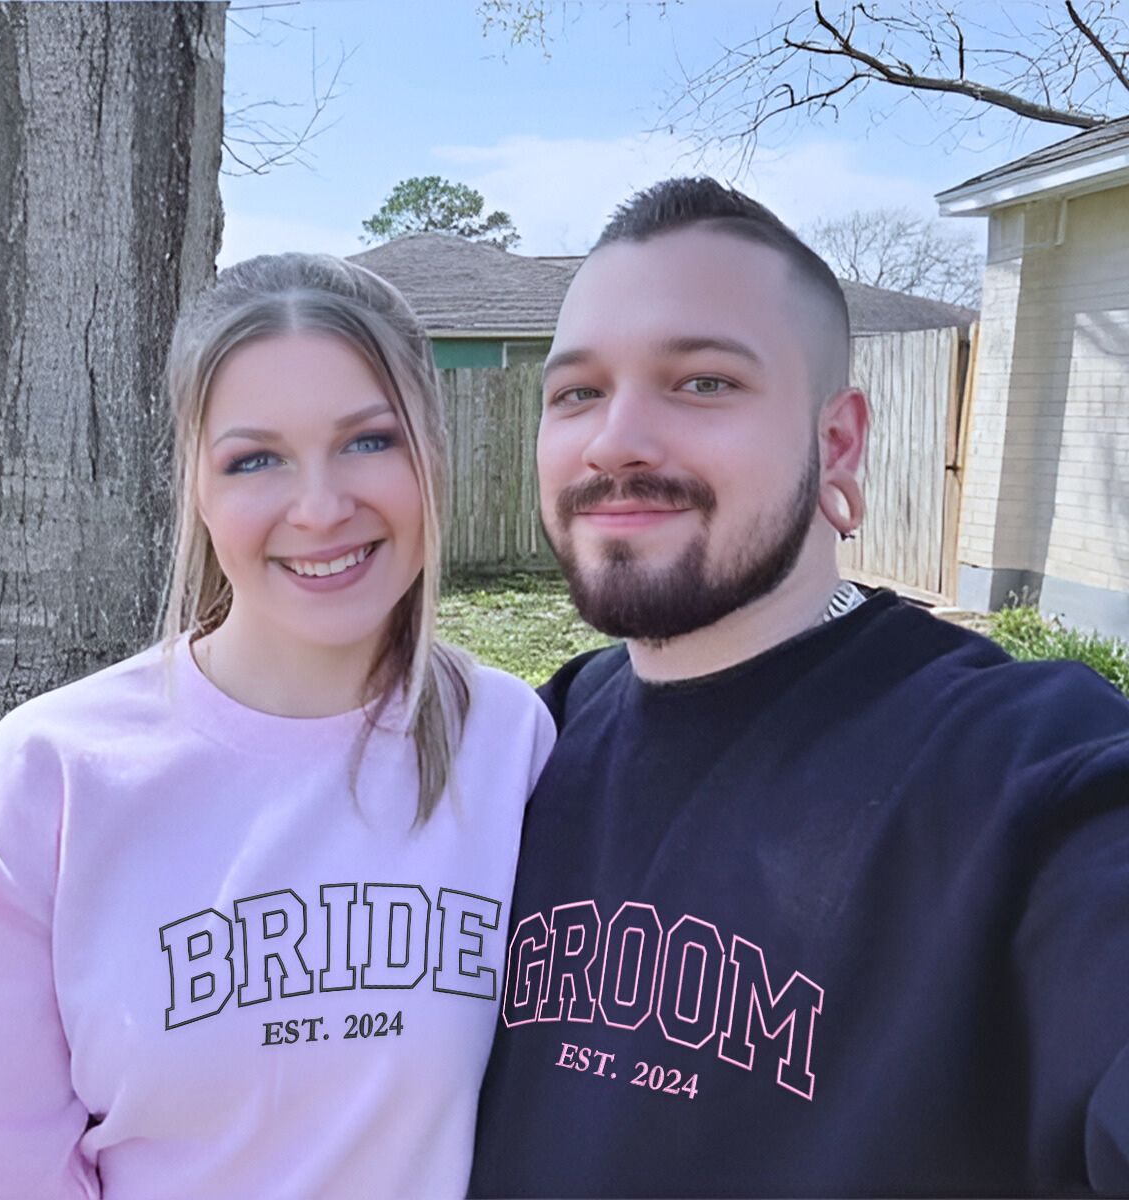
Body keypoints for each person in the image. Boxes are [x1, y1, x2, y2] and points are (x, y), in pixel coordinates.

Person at [468, 178, 1129, 1198]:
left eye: (703, 383)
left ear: (837, 444)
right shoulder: (526, 742)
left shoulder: (1024, 769)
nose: (614, 440)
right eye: (577, 392)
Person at [0, 254, 555, 1199]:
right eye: (255, 458)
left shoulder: (511, 742)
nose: (320, 508)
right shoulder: (52, 775)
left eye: (369, 441)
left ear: (433, 450)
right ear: (200, 489)